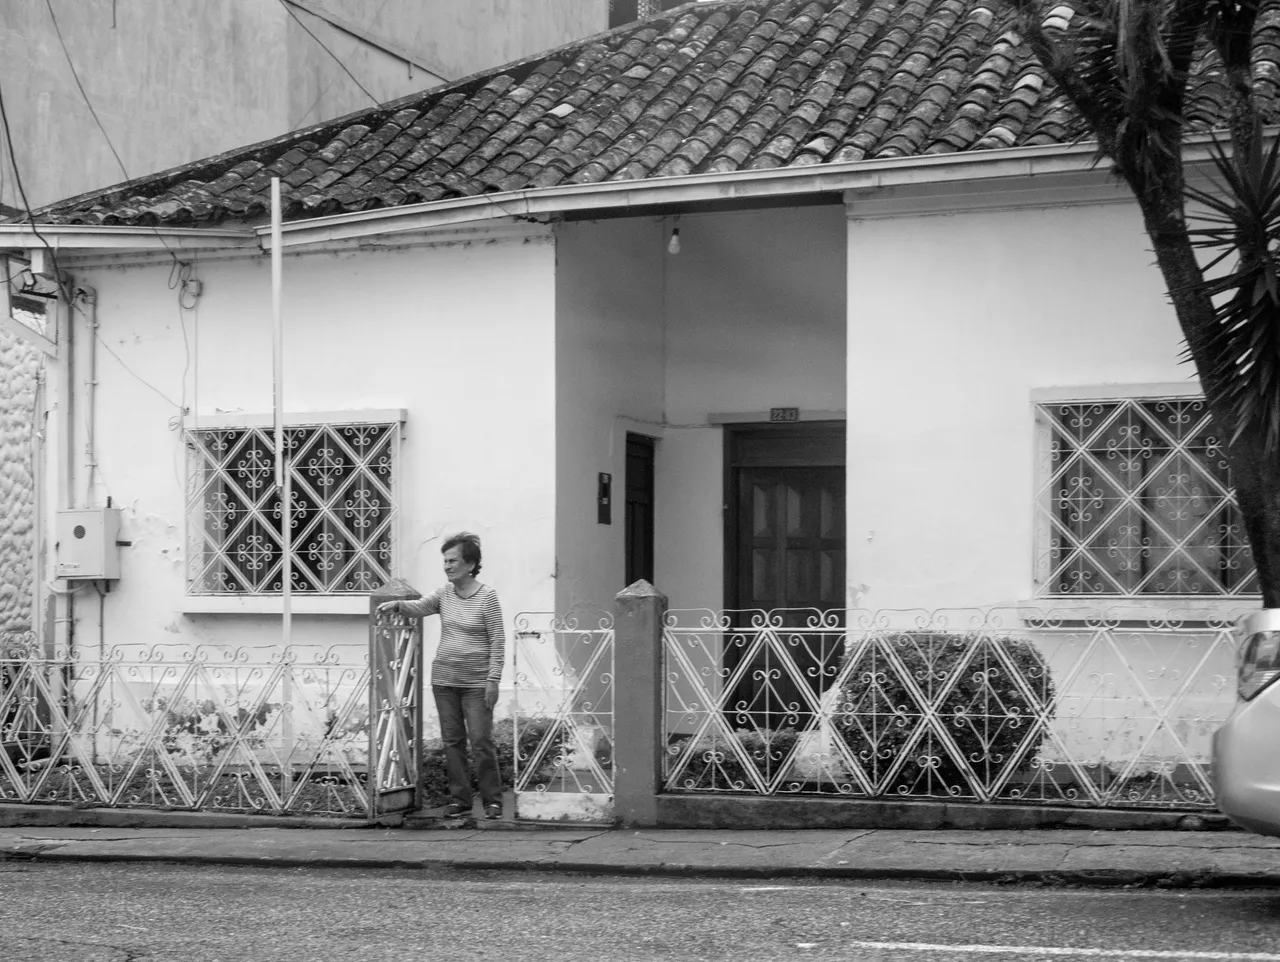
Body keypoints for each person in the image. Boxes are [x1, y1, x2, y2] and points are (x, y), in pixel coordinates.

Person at [378, 532, 505, 819]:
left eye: (453, 561)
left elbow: (498, 640)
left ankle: (492, 801)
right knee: (452, 742)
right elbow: (421, 606)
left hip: (477, 683)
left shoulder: (487, 597)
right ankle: (460, 800)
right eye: (445, 561)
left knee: (481, 741)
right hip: (444, 681)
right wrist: (398, 605)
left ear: (470, 564)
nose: (447, 566)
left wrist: (493, 680)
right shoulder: (444, 593)